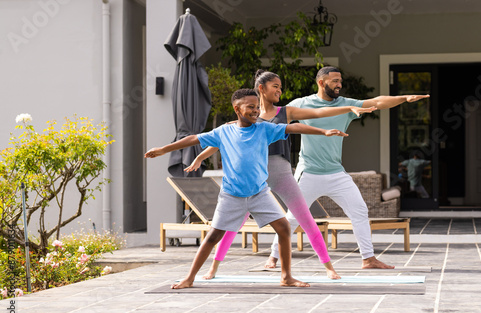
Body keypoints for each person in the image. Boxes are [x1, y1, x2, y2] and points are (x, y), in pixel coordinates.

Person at [145, 88, 348, 289]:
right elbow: (193, 139)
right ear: (237, 109)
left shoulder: (264, 129)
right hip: (231, 196)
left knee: (284, 228)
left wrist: (323, 132)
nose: (256, 111)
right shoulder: (223, 132)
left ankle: (286, 277)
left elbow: (293, 128)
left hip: (260, 193)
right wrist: (163, 149)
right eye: (250, 107)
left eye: (257, 107)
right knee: (213, 236)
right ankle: (189, 277)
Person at [186, 70, 376, 280]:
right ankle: (213, 267)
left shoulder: (286, 112)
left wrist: (348, 107)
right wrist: (200, 158)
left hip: (282, 173)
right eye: (275, 86)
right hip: (256, 177)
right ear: (261, 89)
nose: (280, 90)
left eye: (280, 86)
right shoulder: (248, 116)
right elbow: (222, 139)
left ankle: (329, 267)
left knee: (307, 220)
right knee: (232, 225)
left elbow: (318, 114)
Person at [265, 66, 430, 269]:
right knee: (294, 216)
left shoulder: (346, 105)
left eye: (340, 81)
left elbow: (377, 102)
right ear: (321, 82)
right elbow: (275, 119)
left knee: (359, 210)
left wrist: (403, 98)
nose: (339, 85)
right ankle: (273, 257)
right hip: (309, 172)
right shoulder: (302, 104)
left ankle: (368, 258)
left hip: (336, 173)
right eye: (334, 81)